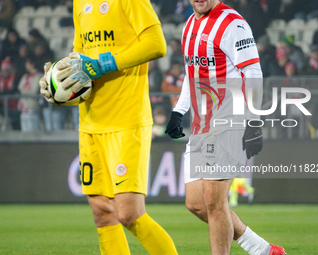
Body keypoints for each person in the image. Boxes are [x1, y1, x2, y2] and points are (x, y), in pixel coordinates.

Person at [39, 1, 178, 255]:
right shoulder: (79, 1)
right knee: (102, 213)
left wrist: (103, 65)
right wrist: (60, 82)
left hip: (126, 118)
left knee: (129, 213)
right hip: (91, 121)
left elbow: (156, 44)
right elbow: (80, 51)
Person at [165, 1, 286, 255]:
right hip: (201, 126)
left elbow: (252, 72)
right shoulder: (189, 25)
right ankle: (263, 249)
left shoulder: (233, 23)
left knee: (214, 201)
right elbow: (192, 74)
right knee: (197, 203)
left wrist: (253, 122)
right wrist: (178, 111)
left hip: (229, 122)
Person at [17, 58, 42, 132]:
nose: (26, 66)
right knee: (24, 132)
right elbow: (19, 88)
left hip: (32, 108)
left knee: (33, 131)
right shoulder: (25, 76)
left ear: (32, 64)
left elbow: (34, 91)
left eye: (27, 64)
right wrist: (25, 91)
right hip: (23, 107)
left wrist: (24, 91)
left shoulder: (38, 76)